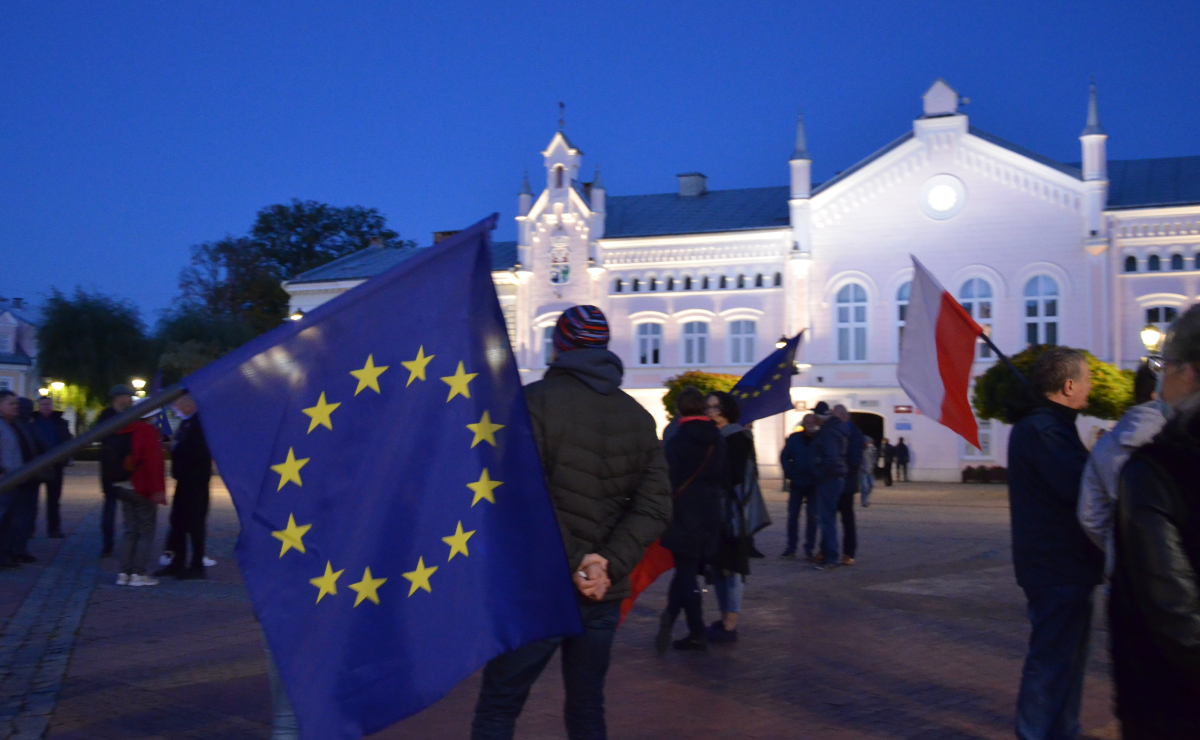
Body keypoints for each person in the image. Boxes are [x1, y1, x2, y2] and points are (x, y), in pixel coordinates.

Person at [471, 305, 670, 740]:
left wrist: (578, 561)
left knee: (499, 707)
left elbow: (524, 498)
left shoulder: (533, 404)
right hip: (602, 590)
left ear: (558, 347)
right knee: (586, 705)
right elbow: (655, 507)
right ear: (603, 348)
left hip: (537, 589)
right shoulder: (638, 418)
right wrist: (605, 564)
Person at [1109, 305, 1200, 738]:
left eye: (1167, 365)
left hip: (1174, 707)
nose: (1160, 379)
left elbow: (1175, 613)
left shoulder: (1159, 471)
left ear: (1192, 373)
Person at [1007, 346, 1102, 740]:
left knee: (1067, 661)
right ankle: (1037, 733)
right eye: (1086, 378)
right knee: (1051, 662)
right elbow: (1077, 485)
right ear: (1068, 385)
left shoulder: (1050, 426)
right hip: (1055, 565)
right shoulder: (1043, 430)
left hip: (1063, 564)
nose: (1091, 385)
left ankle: (1063, 731)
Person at [656, 386, 727, 652]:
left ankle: (697, 631)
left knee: (685, 573)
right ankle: (669, 619)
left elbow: (667, 480)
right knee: (686, 571)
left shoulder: (677, 440)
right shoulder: (717, 439)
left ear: (679, 409)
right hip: (710, 514)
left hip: (683, 513)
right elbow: (726, 476)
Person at [1077, 362, 1164, 577]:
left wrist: (1117, 547)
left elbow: (1090, 514)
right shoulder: (1182, 437)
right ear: (1156, 395)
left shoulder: (1106, 445)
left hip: (1126, 574)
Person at [704, 390, 757, 643]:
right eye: (709, 407)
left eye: (716, 407)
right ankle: (724, 617)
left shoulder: (738, 436)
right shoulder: (711, 435)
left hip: (734, 511)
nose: (712, 411)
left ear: (726, 409)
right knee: (717, 567)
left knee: (733, 567)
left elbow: (736, 475)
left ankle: (730, 625)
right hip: (714, 508)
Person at [155, 393, 212, 580]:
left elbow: (199, 451)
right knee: (177, 523)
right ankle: (177, 562)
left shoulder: (200, 423)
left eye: (177, 403)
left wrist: (175, 447)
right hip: (184, 481)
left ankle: (196, 566)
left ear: (189, 404)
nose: (174, 407)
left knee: (195, 525)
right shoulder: (187, 423)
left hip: (196, 483)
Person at [113, 410, 168, 586]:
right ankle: (138, 573)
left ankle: (123, 573)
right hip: (142, 486)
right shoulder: (148, 432)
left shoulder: (122, 429)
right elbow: (154, 463)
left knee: (129, 530)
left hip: (122, 484)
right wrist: (158, 489)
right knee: (146, 530)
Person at [0, 390, 38, 568]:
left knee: (12, 521)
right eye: (11, 404)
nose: (16, 407)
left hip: (17, 480)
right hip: (5, 481)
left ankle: (8, 554)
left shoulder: (16, 425)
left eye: (16, 404)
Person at [97, 385, 135, 557]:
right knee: (110, 507)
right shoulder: (106, 415)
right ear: (117, 398)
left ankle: (131, 543)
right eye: (126, 396)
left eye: (130, 397)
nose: (129, 400)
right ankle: (108, 544)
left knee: (131, 508)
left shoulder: (134, 414)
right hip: (111, 468)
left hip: (130, 467)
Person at [810, 401, 849, 569]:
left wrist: (819, 473)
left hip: (829, 479)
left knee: (827, 520)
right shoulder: (836, 429)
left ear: (819, 417)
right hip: (835, 477)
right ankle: (828, 554)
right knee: (828, 519)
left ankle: (830, 557)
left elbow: (830, 458)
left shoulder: (828, 432)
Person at [31, 396, 72, 538]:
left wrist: (64, 458)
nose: (46, 407)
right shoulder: (32, 422)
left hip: (55, 465)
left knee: (54, 500)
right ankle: (30, 529)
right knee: (32, 500)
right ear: (39, 406)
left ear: (51, 406)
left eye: (48, 404)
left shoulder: (60, 422)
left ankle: (54, 529)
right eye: (43, 404)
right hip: (36, 466)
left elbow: (67, 440)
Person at [779, 414, 820, 559]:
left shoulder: (820, 439)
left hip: (813, 484)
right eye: (807, 422)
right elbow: (784, 456)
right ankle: (791, 547)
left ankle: (809, 548)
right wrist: (790, 472)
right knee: (793, 516)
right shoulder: (794, 438)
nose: (810, 424)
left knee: (812, 517)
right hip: (797, 482)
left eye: (812, 422)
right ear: (803, 423)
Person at [832, 405, 863, 565]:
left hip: (845, 484)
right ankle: (827, 550)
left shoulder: (854, 433)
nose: (833, 419)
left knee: (847, 519)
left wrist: (839, 471)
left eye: (835, 416)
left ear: (844, 416)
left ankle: (848, 553)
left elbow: (854, 459)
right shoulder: (833, 430)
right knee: (828, 518)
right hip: (832, 482)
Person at [860, 437, 877, 507]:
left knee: (871, 485)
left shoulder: (872, 449)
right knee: (864, 486)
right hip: (863, 471)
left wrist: (873, 464)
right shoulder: (861, 450)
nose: (869, 443)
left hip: (870, 470)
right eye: (868, 442)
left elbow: (874, 458)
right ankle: (864, 501)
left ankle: (865, 498)